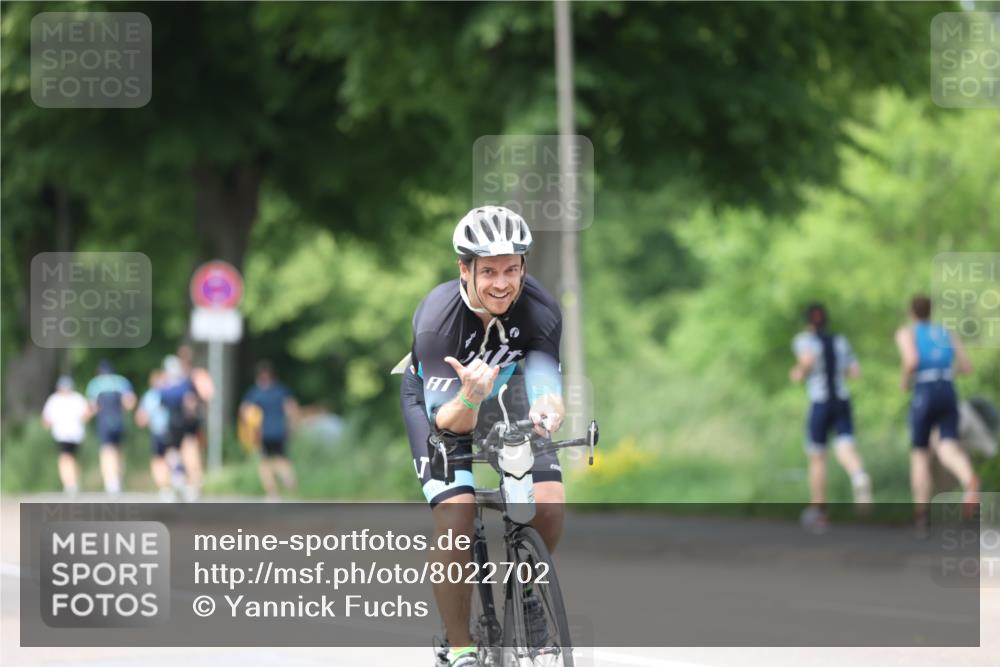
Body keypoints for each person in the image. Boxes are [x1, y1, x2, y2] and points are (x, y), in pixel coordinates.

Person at [399, 206, 565, 667]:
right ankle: (460, 649)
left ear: (523, 267)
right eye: (489, 271)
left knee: (549, 502)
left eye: (511, 269)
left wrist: (548, 406)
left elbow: (545, 379)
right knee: (456, 515)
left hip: (506, 391)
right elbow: (448, 423)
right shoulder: (438, 320)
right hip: (445, 404)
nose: (501, 283)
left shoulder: (541, 309)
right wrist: (470, 398)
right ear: (465, 269)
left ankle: (526, 591)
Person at [895, 295, 979, 527]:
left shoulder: (907, 333)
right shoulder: (945, 332)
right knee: (947, 447)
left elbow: (911, 361)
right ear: (931, 311)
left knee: (920, 454)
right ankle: (969, 480)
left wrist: (904, 382)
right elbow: (966, 366)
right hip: (948, 390)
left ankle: (921, 514)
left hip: (925, 392)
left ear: (911, 312)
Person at [790, 303, 872, 532]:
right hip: (842, 400)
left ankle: (820, 511)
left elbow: (806, 362)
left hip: (820, 402)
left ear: (808, 322)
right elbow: (854, 371)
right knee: (845, 448)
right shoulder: (840, 341)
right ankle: (858, 476)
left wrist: (798, 373)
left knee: (817, 456)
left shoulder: (804, 340)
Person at [240, 361, 299, 499]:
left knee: (265, 462)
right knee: (282, 459)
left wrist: (248, 430)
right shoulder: (281, 391)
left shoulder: (256, 393)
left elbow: (244, 410)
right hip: (280, 431)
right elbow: (292, 409)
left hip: (263, 432)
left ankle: (272, 493)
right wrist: (293, 428)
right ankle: (290, 484)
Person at [85, 360, 136, 495]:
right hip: (119, 421)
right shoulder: (122, 382)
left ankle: (111, 482)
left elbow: (93, 407)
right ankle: (118, 479)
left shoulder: (95, 384)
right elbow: (130, 403)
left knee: (107, 451)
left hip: (103, 422)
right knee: (118, 450)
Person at [159, 355, 204, 501]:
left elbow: (162, 406)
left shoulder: (165, 388)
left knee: (174, 453)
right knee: (188, 453)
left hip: (173, 424)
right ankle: (190, 484)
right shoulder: (186, 384)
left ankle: (180, 480)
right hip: (185, 423)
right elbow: (191, 402)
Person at [135, 369, 182, 502]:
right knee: (169, 455)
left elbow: (141, 418)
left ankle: (166, 486)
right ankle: (174, 479)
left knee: (159, 459)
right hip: (170, 429)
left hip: (161, 430)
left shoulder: (152, 395)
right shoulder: (172, 392)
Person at [41, 376, 92, 496]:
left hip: (72, 434)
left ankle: (70, 484)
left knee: (67, 459)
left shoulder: (59, 399)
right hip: (65, 434)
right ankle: (71, 483)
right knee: (67, 458)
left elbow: (46, 419)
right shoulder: (72, 399)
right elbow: (86, 415)